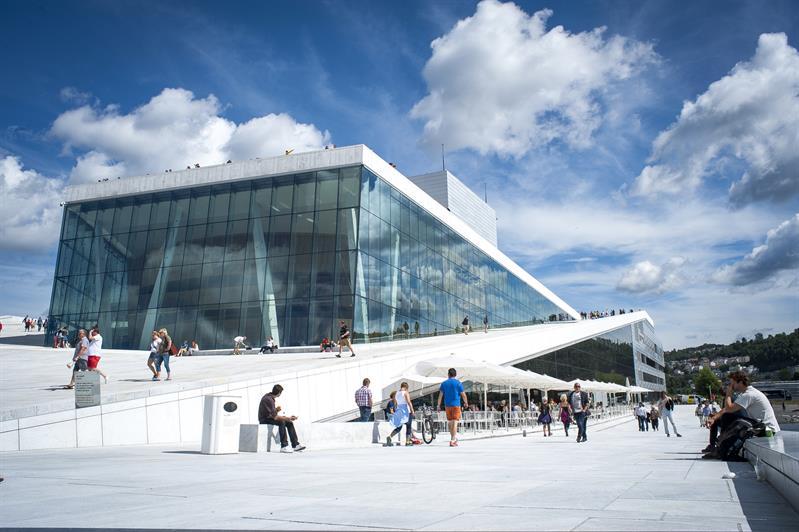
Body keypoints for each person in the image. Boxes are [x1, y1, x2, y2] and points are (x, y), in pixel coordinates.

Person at [702, 371, 780, 459]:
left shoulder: (749, 394)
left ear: (740, 382)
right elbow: (727, 409)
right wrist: (714, 418)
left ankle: (722, 449)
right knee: (726, 417)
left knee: (735, 420)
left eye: (732, 383)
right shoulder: (745, 394)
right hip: (759, 426)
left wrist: (728, 394)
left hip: (767, 429)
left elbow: (729, 408)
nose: (731, 386)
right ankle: (719, 448)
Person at [258, 384, 305, 453]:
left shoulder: (269, 397)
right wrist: (288, 418)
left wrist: (276, 410)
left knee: (289, 423)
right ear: (279, 393)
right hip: (264, 419)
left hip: (268, 417)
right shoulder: (269, 399)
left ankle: (295, 445)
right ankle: (284, 446)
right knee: (282, 421)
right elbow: (275, 417)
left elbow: (272, 414)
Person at [437, 368, 468, 447]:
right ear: (455, 374)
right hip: (456, 405)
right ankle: (453, 440)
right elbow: (463, 394)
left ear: (448, 374)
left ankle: (452, 438)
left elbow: (440, 395)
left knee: (450, 422)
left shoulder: (444, 383)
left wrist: (438, 405)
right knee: (455, 422)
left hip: (447, 405)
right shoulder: (458, 383)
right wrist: (466, 402)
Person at [386, 382, 415, 446]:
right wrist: (412, 410)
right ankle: (407, 442)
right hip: (406, 411)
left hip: (399, 410)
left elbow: (396, 403)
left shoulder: (397, 393)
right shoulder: (405, 392)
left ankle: (390, 437)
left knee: (399, 427)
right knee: (408, 426)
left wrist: (396, 411)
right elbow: (409, 402)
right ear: (406, 387)